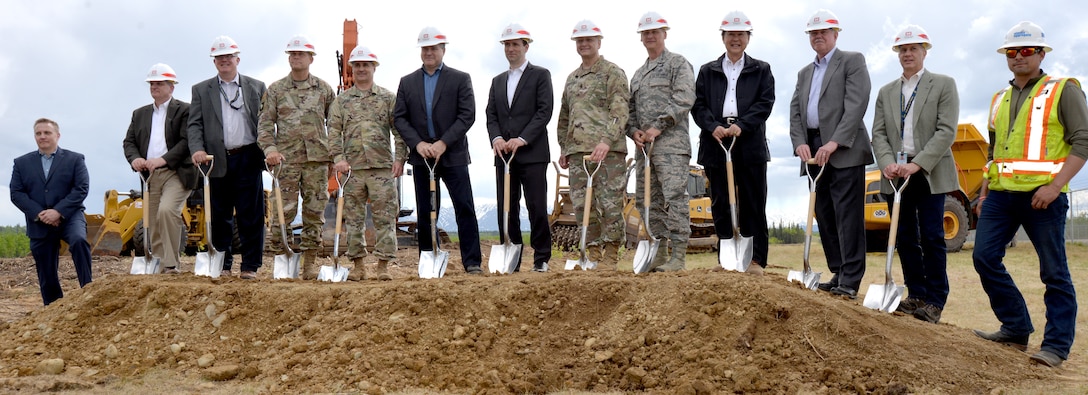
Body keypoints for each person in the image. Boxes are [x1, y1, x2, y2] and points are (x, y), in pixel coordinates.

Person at [972, 21, 1088, 368]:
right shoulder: (999, 99)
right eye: (1012, 51)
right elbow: (994, 154)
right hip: (1001, 197)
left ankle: (1055, 346)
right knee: (984, 257)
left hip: (1044, 199)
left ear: (1041, 53)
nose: (1019, 56)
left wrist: (1054, 187)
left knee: (1054, 273)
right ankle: (1016, 327)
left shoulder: (1063, 90)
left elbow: (1083, 141)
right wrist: (983, 194)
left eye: (1026, 51)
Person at [870, 25, 959, 323]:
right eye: (903, 50)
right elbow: (878, 133)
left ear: (924, 51)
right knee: (904, 235)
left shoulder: (943, 85)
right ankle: (916, 294)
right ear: (898, 54)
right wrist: (886, 162)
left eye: (914, 49)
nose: (908, 54)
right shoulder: (886, 92)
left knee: (932, 235)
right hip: (895, 171)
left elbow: (946, 131)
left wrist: (917, 163)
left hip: (928, 171)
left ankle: (935, 300)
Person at [788, 9, 872, 298]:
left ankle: (850, 279)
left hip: (843, 149)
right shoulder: (804, 73)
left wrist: (834, 142)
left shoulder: (851, 61)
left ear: (836, 34)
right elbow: (796, 110)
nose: (818, 36)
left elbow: (857, 104)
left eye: (824, 31)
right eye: (813, 32)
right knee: (823, 213)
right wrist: (799, 141)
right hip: (812, 151)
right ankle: (838, 271)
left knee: (847, 215)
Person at [394, 27, 483, 274]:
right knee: (425, 209)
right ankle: (428, 258)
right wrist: (418, 144)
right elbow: (400, 119)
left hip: (452, 154)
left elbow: (467, 115)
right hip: (422, 156)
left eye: (434, 48)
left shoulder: (460, 78)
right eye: (425, 48)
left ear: (443, 50)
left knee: (464, 206)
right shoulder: (408, 82)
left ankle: (472, 261)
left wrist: (444, 143)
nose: (429, 52)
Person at [692, 11, 774, 275]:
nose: (735, 39)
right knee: (720, 201)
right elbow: (698, 104)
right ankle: (726, 259)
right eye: (731, 35)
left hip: (748, 141)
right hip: (716, 140)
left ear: (748, 38)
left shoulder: (761, 69)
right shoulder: (708, 71)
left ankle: (756, 260)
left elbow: (765, 102)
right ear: (723, 37)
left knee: (753, 200)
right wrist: (713, 126)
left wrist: (742, 125)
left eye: (740, 34)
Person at [188, 35, 267, 279]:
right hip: (215, 160)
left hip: (248, 156)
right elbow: (195, 124)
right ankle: (222, 264)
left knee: (250, 215)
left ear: (237, 59)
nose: (224, 61)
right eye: (219, 58)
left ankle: (250, 266)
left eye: (228, 57)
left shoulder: (256, 87)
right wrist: (197, 149)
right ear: (214, 62)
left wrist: (269, 150)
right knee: (219, 214)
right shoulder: (201, 90)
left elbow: (265, 121)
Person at [258, 35, 335, 280]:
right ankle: (284, 260)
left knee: (314, 213)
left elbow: (334, 124)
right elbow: (265, 124)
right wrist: (270, 150)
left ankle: (310, 263)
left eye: (301, 54)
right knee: (283, 212)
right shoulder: (276, 90)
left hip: (317, 162)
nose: (296, 57)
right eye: (292, 54)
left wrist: (334, 155)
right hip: (285, 162)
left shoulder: (323, 89)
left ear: (311, 58)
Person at [328, 46, 407, 281]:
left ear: (374, 68)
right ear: (352, 68)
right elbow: (333, 131)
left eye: (366, 65)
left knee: (385, 218)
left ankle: (383, 266)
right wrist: (339, 159)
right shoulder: (341, 102)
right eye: (358, 65)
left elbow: (399, 130)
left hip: (382, 167)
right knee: (353, 219)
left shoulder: (387, 98)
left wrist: (400, 158)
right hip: (352, 170)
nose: (362, 69)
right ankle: (358, 266)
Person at [556, 20, 630, 269]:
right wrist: (564, 147)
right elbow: (565, 115)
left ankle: (610, 254)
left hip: (607, 152)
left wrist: (606, 141)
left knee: (608, 203)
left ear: (599, 42)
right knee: (581, 206)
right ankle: (592, 253)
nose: (584, 44)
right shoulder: (572, 78)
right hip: (578, 153)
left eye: (589, 40)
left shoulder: (612, 72)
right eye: (580, 40)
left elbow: (620, 110)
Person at [627, 12, 695, 272]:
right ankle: (660, 250)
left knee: (675, 198)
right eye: (645, 33)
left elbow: (684, 98)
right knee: (648, 202)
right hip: (645, 150)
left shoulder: (677, 64)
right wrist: (634, 131)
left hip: (671, 148)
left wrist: (657, 127)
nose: (650, 36)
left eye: (655, 32)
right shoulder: (639, 74)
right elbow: (630, 110)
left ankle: (678, 255)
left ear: (664, 34)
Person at [485, 23, 554, 272]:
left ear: (526, 46)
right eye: (507, 44)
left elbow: (544, 111)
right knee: (507, 206)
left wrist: (522, 138)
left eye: (515, 44)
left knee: (536, 205)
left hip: (533, 153)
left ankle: (541, 258)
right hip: (505, 156)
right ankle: (512, 255)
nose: (511, 48)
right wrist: (497, 139)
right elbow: (491, 114)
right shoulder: (497, 80)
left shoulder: (540, 75)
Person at [122, 63, 197, 274]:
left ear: (171, 87)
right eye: (152, 83)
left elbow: (186, 142)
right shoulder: (139, 114)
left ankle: (171, 264)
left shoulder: (185, 110)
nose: (155, 87)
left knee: (167, 210)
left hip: (177, 173)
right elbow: (129, 142)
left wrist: (162, 159)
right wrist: (135, 159)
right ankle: (159, 263)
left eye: (160, 83)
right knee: (152, 219)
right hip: (150, 176)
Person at [10, 118, 93, 305]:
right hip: (39, 221)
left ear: (57, 135)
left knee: (79, 241)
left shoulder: (75, 159)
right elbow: (16, 193)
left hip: (70, 217)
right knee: (45, 266)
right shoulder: (22, 163)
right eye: (38, 133)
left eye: (47, 133)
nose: (42, 137)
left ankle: (88, 291)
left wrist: (58, 211)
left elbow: (81, 189)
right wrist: (40, 214)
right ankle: (54, 306)